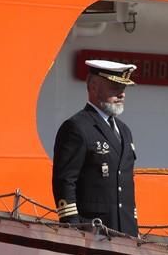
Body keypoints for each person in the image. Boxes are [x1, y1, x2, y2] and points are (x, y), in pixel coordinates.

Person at [52, 59, 139, 236]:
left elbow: (125, 183)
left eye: (123, 89)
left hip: (125, 230)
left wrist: (133, 226)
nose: (122, 94)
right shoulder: (77, 127)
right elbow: (65, 182)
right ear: (94, 86)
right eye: (115, 87)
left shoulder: (124, 131)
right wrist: (73, 228)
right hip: (93, 231)